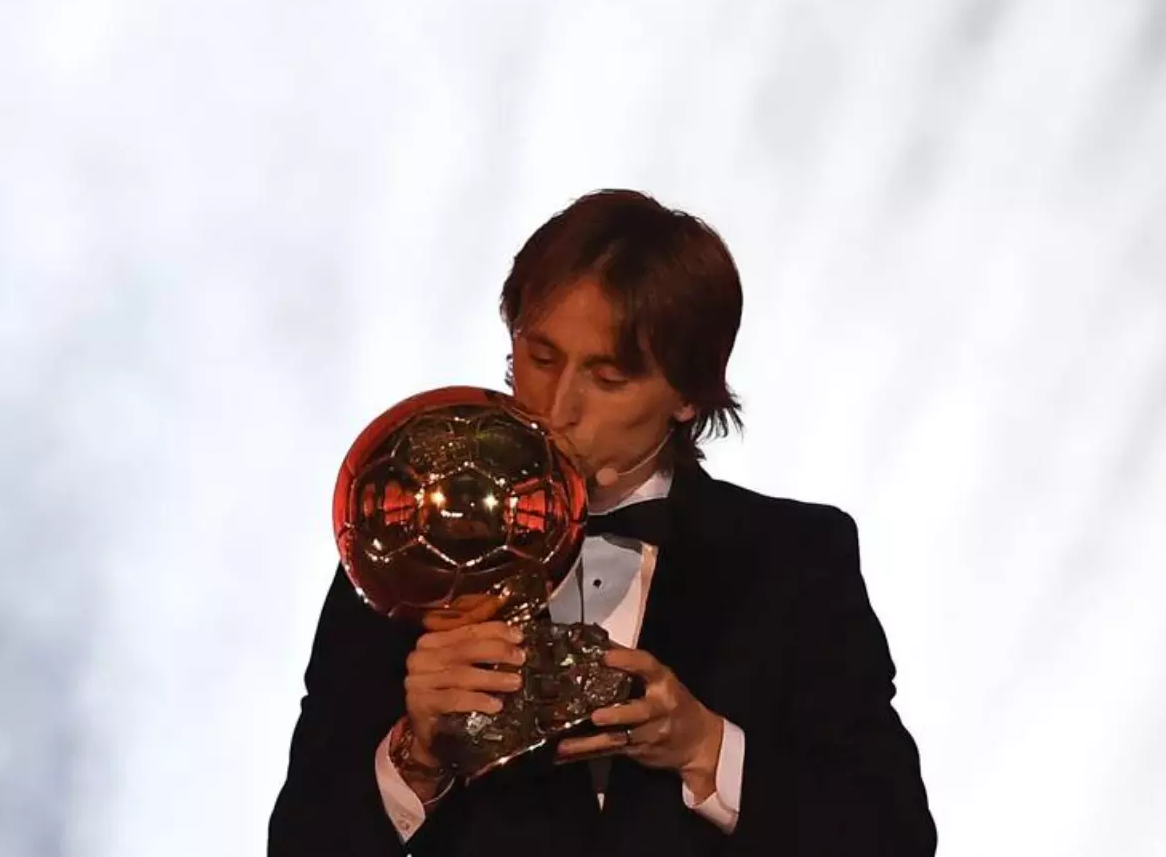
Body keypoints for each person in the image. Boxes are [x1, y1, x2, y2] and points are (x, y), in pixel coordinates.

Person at [269, 189, 936, 856]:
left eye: (608, 377)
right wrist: (416, 757)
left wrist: (705, 748)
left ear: (688, 394)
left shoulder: (794, 559)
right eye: (541, 358)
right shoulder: (405, 549)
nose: (558, 408)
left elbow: (894, 837)